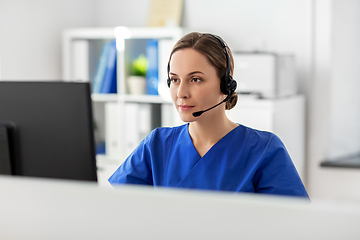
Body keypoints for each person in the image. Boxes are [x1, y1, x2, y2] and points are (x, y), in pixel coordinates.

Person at [109, 32, 309, 198]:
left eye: (195, 79)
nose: (181, 93)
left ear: (225, 85)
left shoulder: (264, 150)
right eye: (175, 80)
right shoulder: (156, 145)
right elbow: (118, 210)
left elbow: (292, 224)